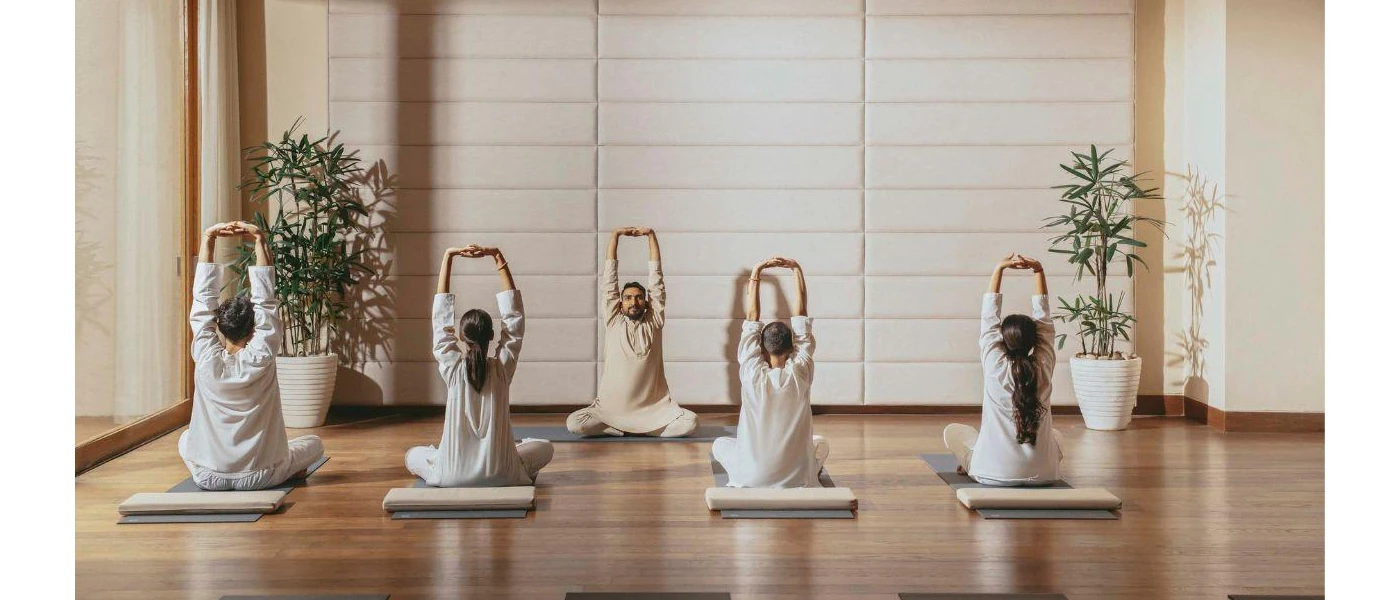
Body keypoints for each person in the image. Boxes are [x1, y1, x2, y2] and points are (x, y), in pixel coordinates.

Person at [179, 221, 324, 491]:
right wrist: (259, 239)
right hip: (261, 475)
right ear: (255, 328)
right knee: (314, 444)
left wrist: (208, 238)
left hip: (208, 477)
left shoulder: (206, 359)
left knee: (185, 438)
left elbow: (202, 304)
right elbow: (266, 301)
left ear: (219, 326)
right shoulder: (262, 354)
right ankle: (288, 468)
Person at [405, 245, 553, 487]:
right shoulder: (502, 369)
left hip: (450, 476)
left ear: (461, 338)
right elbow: (515, 321)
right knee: (545, 447)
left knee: (412, 455)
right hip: (503, 475)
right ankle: (514, 451)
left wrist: (448, 256)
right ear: (492, 335)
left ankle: (439, 455)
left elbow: (440, 323)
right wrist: (497, 256)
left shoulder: (452, 369)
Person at [943, 253, 1064, 486]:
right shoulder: (1043, 367)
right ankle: (982, 457)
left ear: (1002, 340)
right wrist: (1038, 270)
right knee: (1056, 436)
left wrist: (999, 269)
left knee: (954, 432)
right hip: (1045, 475)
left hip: (991, 474)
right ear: (1035, 341)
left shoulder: (995, 365)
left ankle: (971, 462)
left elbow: (989, 319)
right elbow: (1045, 322)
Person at [566, 227, 698, 437]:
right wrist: (615, 236)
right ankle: (625, 428)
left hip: (653, 410)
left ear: (646, 302)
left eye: (638, 297)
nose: (633, 302)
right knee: (574, 424)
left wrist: (651, 236)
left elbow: (657, 281)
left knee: (691, 423)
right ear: (620, 304)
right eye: (627, 298)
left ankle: (635, 428)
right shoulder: (613, 320)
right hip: (611, 410)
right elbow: (609, 281)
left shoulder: (654, 321)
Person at [712, 257, 828, 488]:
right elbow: (801, 318)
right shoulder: (801, 370)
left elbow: (751, 318)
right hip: (799, 479)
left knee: (719, 444)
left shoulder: (751, 372)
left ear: (761, 348)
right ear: (793, 347)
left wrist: (757, 271)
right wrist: (796, 269)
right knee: (821, 444)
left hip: (750, 478)